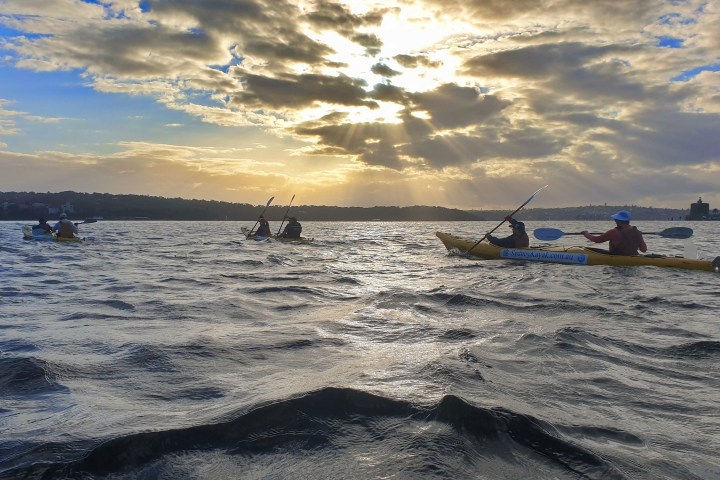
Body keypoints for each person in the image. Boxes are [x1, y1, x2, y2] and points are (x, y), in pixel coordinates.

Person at [582, 210, 647, 255]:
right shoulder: (638, 232)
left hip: (617, 264)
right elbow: (643, 250)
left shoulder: (614, 232)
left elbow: (597, 240)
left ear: (619, 221)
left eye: (616, 219)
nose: (615, 221)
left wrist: (586, 234)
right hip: (633, 259)